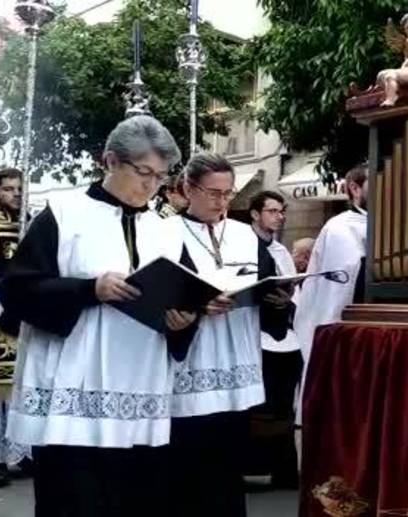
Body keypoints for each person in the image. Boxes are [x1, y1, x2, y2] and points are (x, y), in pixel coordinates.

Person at [0, 116, 196, 516]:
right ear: (110, 160)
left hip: (140, 396)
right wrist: (89, 289)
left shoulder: (168, 228)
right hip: (72, 397)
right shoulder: (63, 214)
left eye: (161, 176)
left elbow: (185, 296)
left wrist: (183, 322)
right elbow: (16, 291)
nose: (152, 185)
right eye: (144, 172)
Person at [165, 153, 292, 517]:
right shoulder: (164, 233)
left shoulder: (244, 236)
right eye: (213, 193)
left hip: (237, 365)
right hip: (193, 365)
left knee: (227, 474)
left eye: (228, 194)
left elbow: (266, 288)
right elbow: (157, 291)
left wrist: (280, 302)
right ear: (189, 189)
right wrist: (197, 305)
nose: (222, 202)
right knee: (188, 474)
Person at [246, 190, 301, 489]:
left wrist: (288, 298)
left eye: (281, 211)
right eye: (272, 211)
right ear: (255, 213)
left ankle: (282, 470)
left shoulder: (280, 251)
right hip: (254, 333)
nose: (278, 216)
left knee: (282, 405)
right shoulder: (242, 245)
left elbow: (293, 291)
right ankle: (251, 468)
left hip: (283, 335)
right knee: (257, 406)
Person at [294, 164, 367, 374]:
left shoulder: (393, 224)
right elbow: (334, 289)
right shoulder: (338, 228)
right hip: (344, 325)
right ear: (355, 188)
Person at [0, 167, 28, 488]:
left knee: (17, 392)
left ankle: (17, 453)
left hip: (23, 320)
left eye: (19, 189)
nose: (15, 195)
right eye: (8, 190)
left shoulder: (28, 225)